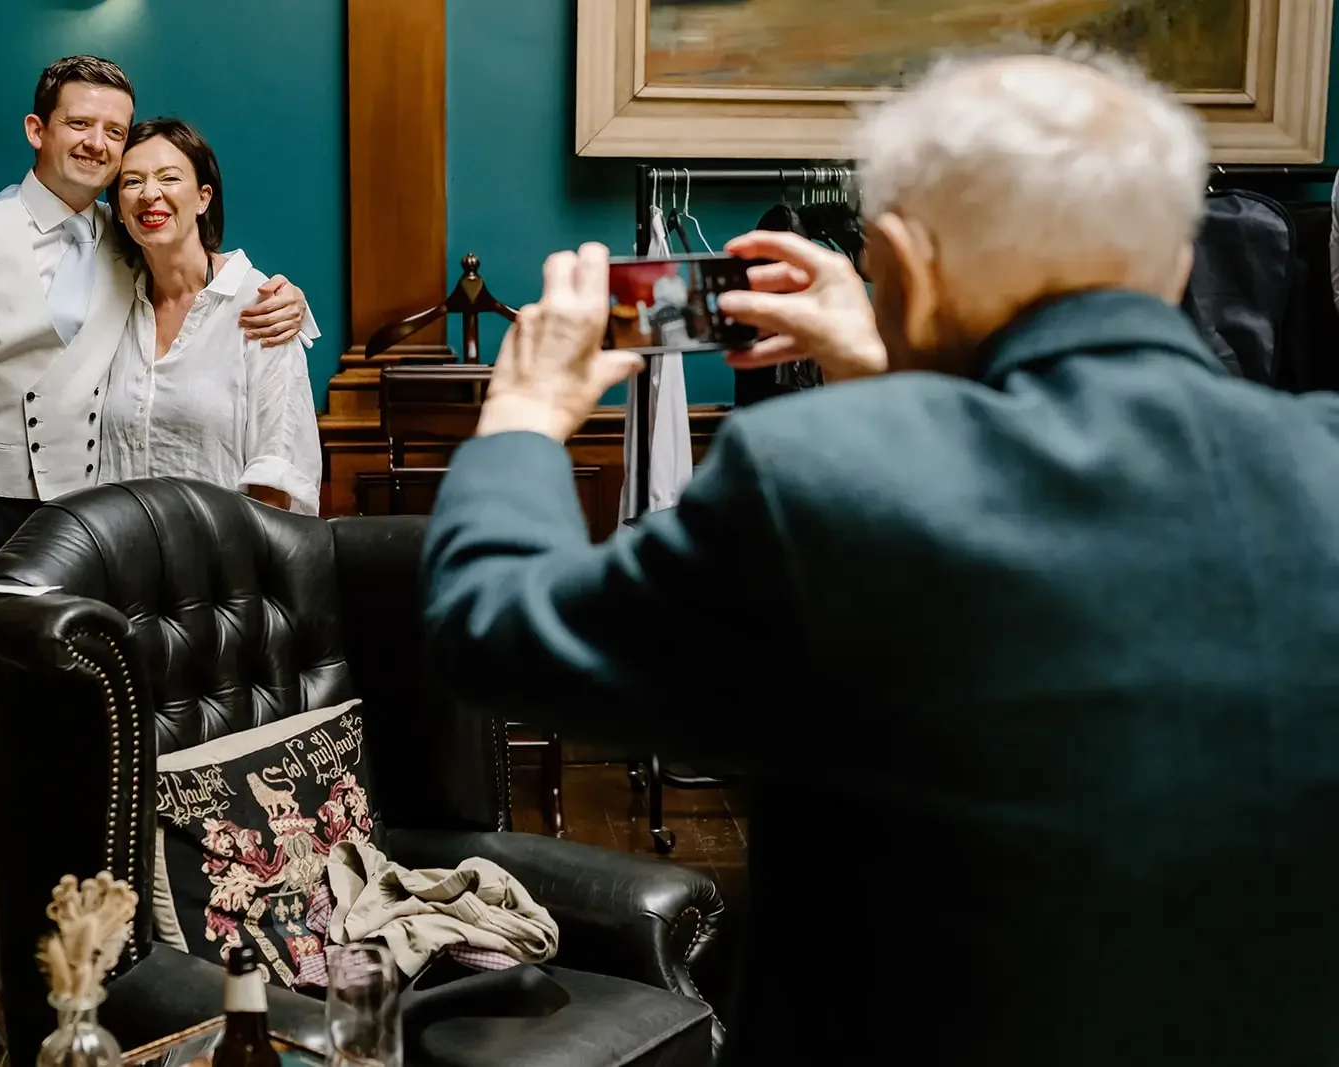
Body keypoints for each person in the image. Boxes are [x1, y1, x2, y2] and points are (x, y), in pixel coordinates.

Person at [420, 44, 1339, 1067]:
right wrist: (880, 365)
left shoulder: (818, 474)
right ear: (1175, 260)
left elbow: (495, 628)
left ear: (900, 262)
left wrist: (524, 412)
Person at [0, 56, 312, 1058]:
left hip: (82, 528)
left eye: (115, 133)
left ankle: (78, 966)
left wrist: (284, 298)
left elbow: (203, 285)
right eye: (83, 127)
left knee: (73, 761)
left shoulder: (126, 239)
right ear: (38, 130)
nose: (102, 146)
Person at [99, 118, 321, 513]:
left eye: (169, 178)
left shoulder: (264, 307)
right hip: (121, 559)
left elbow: (278, 469)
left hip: (223, 560)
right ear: (117, 209)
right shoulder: (110, 301)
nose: (150, 194)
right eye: (132, 182)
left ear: (203, 198)